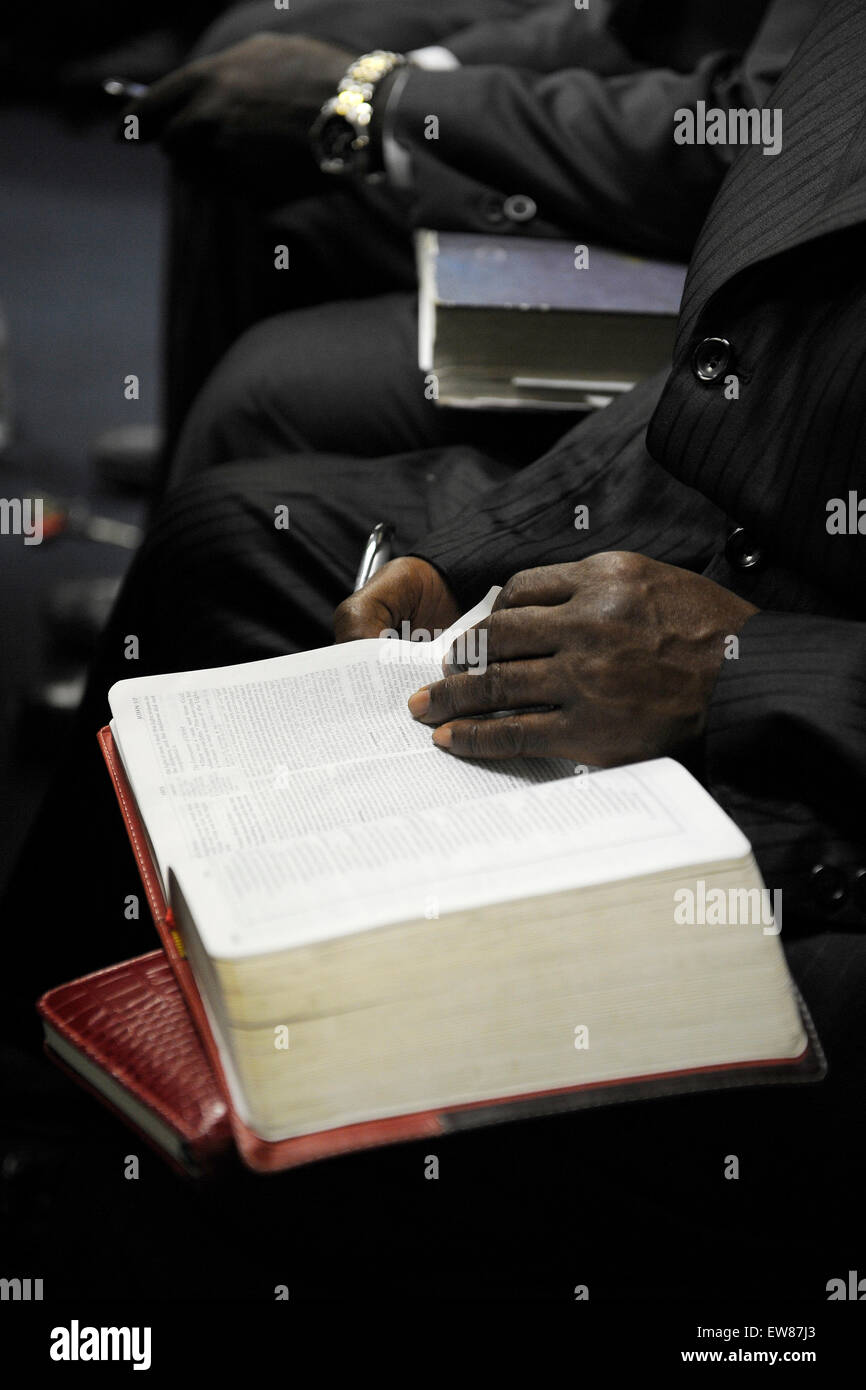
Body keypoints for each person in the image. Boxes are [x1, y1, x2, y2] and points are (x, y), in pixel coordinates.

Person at [2, 0, 864, 1304]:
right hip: (715, 556)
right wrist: (482, 549)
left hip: (825, 742)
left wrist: (748, 667)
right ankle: (53, 1091)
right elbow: (759, 346)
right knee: (237, 541)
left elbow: (687, 138)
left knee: (411, 1060)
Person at [130, 0, 817, 473]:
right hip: (666, 156)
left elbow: (750, 139)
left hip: (754, 285)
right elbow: (635, 31)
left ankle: (193, 587)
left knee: (265, 390)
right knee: (247, 109)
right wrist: (403, 79)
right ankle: (172, 542)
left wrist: (387, 102)